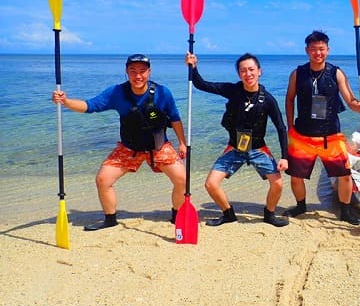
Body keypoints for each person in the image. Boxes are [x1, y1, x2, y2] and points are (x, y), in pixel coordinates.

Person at [51, 54, 187, 231]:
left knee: (182, 179)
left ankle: (177, 215)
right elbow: (89, 106)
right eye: (133, 71)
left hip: (159, 146)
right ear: (126, 72)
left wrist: (182, 143)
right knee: (103, 179)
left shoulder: (163, 92)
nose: (138, 76)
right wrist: (65, 101)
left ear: (149, 72)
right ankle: (110, 219)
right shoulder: (116, 92)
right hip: (129, 148)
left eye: (142, 71)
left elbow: (175, 119)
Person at [186, 52, 289, 227]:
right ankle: (228, 214)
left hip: (258, 149)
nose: (248, 74)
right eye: (243, 71)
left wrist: (285, 156)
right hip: (234, 148)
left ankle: (269, 214)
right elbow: (201, 84)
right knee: (211, 184)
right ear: (239, 74)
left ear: (259, 71)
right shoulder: (232, 90)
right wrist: (193, 67)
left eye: (251, 70)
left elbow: (281, 127)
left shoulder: (268, 100)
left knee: (278, 183)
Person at [284, 30, 360, 225]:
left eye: (321, 49)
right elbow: (289, 100)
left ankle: (346, 211)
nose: (317, 53)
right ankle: (301, 206)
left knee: (344, 175)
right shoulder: (297, 73)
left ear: (328, 50)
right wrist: (290, 126)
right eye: (313, 49)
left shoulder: (336, 72)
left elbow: (350, 99)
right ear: (307, 51)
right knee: (296, 176)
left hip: (330, 135)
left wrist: (359, 107)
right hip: (302, 135)